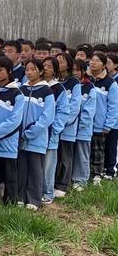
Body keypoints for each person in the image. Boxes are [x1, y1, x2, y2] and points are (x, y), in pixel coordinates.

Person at [18, 59, 55, 210]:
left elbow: (47, 117)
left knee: (35, 169)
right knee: (21, 168)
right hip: (20, 136)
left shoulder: (47, 91)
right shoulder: (22, 89)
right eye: (27, 69)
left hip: (36, 137)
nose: (29, 72)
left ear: (40, 72)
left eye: (33, 69)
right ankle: (20, 197)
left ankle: (34, 199)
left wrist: (31, 132)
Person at [0, 57, 24, 205]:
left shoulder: (17, 94)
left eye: (0, 70)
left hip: (7, 141)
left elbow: (15, 120)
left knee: (10, 174)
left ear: (9, 71)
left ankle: (10, 202)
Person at [41, 56, 69, 204]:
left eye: (50, 66)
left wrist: (55, 130)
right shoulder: (32, 85)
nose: (45, 68)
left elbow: (63, 113)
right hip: (34, 133)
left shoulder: (58, 89)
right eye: (43, 65)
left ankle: (47, 193)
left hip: (50, 132)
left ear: (55, 71)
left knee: (48, 165)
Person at [54, 53, 82, 197]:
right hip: (53, 127)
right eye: (57, 60)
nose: (59, 63)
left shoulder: (74, 83)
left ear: (69, 64)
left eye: (62, 61)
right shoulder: (54, 82)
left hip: (67, 128)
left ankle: (62, 185)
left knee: (65, 157)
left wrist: (62, 122)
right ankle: (52, 183)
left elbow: (75, 107)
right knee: (54, 157)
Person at [88, 52, 118, 184]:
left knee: (98, 151)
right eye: (92, 60)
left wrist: (108, 125)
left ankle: (97, 175)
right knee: (86, 150)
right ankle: (86, 172)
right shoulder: (86, 79)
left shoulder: (110, 83)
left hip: (100, 124)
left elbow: (113, 106)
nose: (93, 63)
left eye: (97, 61)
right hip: (85, 123)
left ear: (104, 65)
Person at [71, 59, 97, 191]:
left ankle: (81, 180)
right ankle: (69, 178)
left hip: (82, 130)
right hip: (68, 129)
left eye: (77, 70)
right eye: (73, 70)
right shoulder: (68, 85)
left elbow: (88, 113)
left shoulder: (90, 87)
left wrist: (77, 126)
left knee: (82, 155)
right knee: (69, 155)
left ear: (83, 71)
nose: (75, 73)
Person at [104, 54, 118, 178]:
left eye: (108, 63)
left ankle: (111, 170)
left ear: (115, 65)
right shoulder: (102, 79)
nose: (106, 65)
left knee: (111, 146)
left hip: (114, 120)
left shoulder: (114, 82)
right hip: (104, 119)